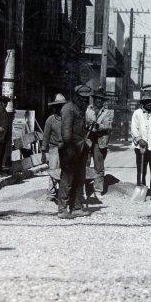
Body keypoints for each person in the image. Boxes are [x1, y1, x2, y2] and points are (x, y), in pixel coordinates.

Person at [58, 85, 92, 218]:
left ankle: (77, 207)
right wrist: (73, 149)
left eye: (86, 98)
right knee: (67, 179)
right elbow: (66, 135)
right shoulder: (68, 109)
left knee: (79, 179)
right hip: (70, 150)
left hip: (80, 150)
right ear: (76, 96)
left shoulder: (79, 109)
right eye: (82, 98)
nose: (84, 100)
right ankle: (62, 209)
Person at [86, 88, 113, 197]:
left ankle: (98, 189)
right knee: (85, 164)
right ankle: (85, 187)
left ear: (104, 101)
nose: (99, 101)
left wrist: (97, 126)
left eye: (101, 99)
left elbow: (108, 126)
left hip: (100, 141)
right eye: (97, 99)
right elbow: (85, 122)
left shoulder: (107, 112)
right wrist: (90, 125)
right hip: (88, 139)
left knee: (99, 166)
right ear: (94, 100)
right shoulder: (88, 110)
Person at [42, 93, 67, 202]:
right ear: (54, 107)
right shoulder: (50, 120)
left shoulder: (68, 119)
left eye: (61, 106)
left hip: (66, 149)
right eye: (58, 106)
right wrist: (43, 152)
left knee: (65, 171)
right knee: (53, 171)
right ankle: (51, 194)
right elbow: (45, 136)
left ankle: (63, 193)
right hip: (54, 149)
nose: (60, 108)